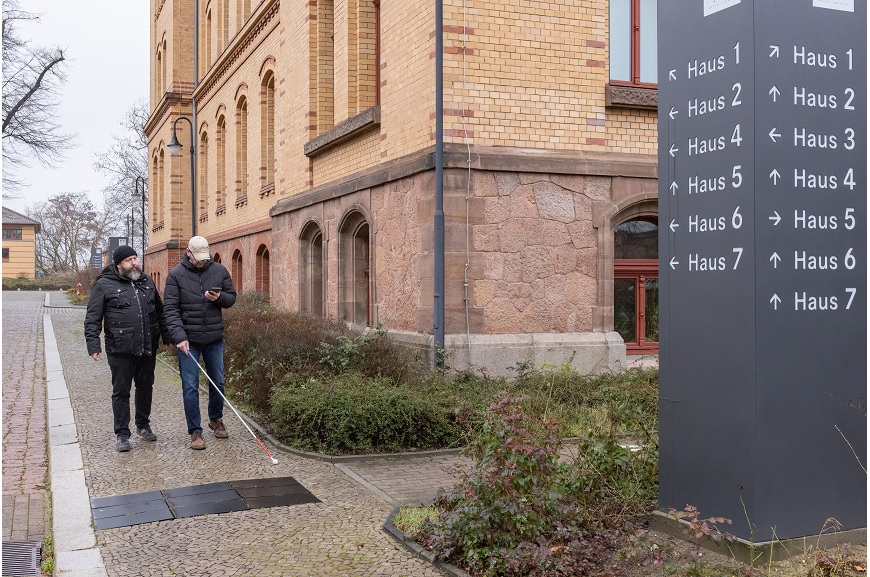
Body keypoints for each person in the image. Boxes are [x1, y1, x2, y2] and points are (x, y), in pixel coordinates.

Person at [84, 246, 170, 452]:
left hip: (147, 346)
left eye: (135, 258)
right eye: (129, 260)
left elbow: (160, 312)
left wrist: (167, 336)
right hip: (120, 349)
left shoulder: (146, 281)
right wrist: (93, 344)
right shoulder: (104, 285)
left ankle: (143, 425)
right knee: (121, 391)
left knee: (145, 387)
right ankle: (122, 434)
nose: (134, 263)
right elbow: (93, 317)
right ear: (118, 264)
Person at [164, 236, 237, 450]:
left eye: (205, 258)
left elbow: (232, 298)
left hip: (214, 338)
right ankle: (195, 431)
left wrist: (219, 298)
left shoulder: (219, 271)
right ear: (188, 253)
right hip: (189, 341)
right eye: (198, 259)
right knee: (190, 387)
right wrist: (179, 337)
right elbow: (171, 309)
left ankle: (216, 419)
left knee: (218, 382)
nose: (202, 262)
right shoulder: (176, 275)